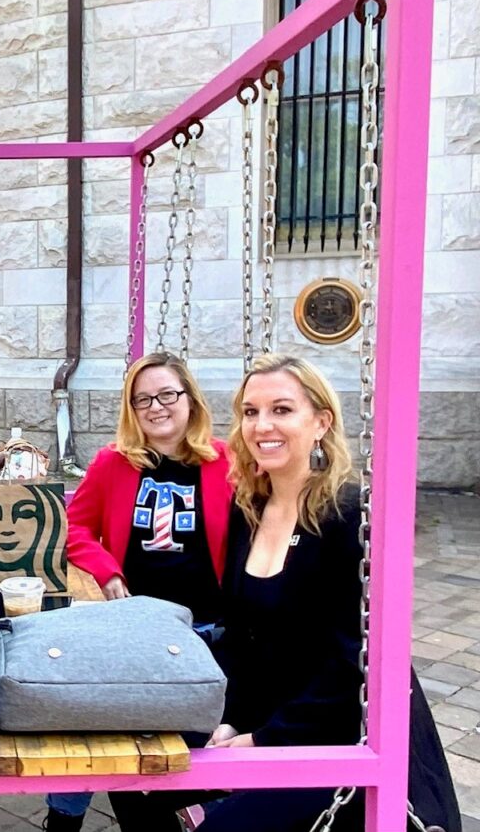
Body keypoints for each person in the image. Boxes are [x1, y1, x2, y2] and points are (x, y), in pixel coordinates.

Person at [106, 354, 461, 832]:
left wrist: (262, 740)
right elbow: (240, 635)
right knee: (132, 772)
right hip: (265, 715)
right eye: (250, 412)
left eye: (281, 410)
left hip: (341, 738)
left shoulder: (350, 516)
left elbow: (352, 665)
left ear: (320, 422)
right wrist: (231, 718)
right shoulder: (249, 506)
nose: (261, 425)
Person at [45, 351, 233, 832]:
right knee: (97, 721)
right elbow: (77, 528)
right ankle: (64, 817)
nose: (156, 407)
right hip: (137, 623)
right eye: (142, 398)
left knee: (188, 736)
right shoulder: (114, 464)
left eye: (167, 394)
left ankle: (177, 807)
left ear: (190, 399)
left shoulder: (227, 462)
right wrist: (107, 573)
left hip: (207, 625)